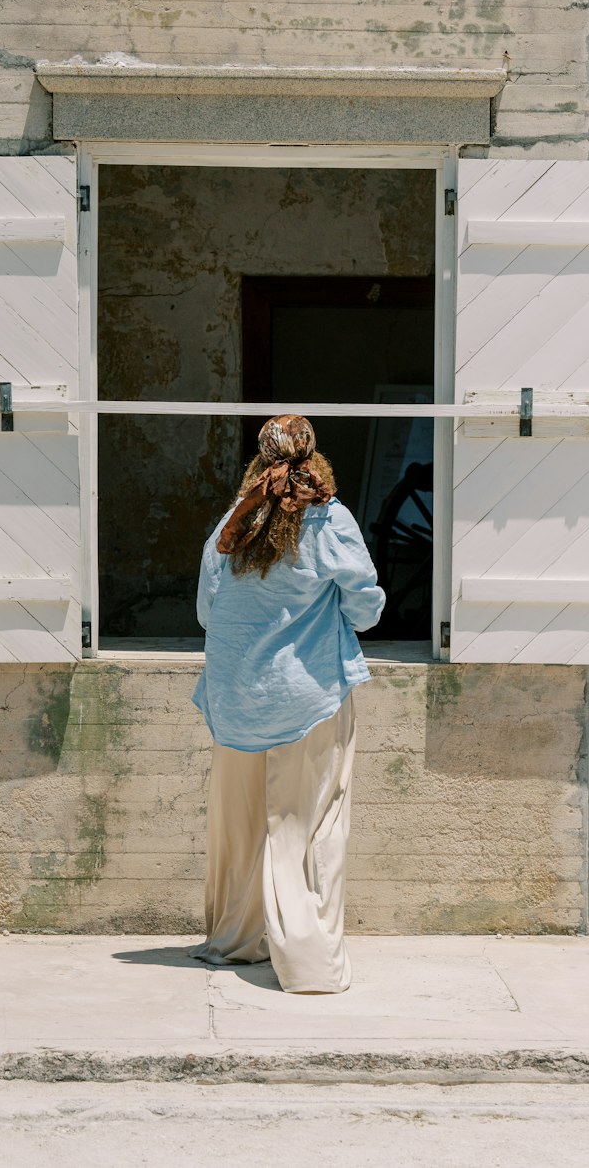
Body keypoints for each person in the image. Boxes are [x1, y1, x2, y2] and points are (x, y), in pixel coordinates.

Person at [191, 413, 385, 994]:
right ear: (316, 463)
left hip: (234, 701)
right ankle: (308, 965)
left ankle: (237, 941)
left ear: (257, 463)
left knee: (241, 826)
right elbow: (367, 606)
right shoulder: (329, 520)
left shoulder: (232, 523)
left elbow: (207, 612)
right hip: (308, 698)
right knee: (308, 825)